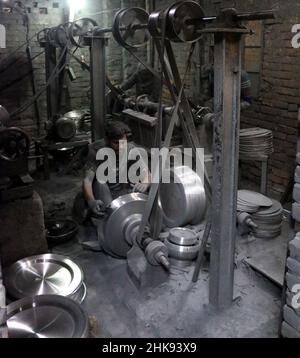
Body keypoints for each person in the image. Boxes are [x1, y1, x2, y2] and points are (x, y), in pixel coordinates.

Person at [80, 120, 151, 219]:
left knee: (148, 199)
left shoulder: (131, 149)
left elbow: (146, 172)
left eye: (123, 142)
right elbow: (87, 181)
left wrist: (145, 183)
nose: (120, 147)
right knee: (111, 215)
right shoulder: (96, 150)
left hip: (122, 188)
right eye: (116, 143)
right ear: (107, 140)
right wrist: (91, 201)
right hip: (104, 189)